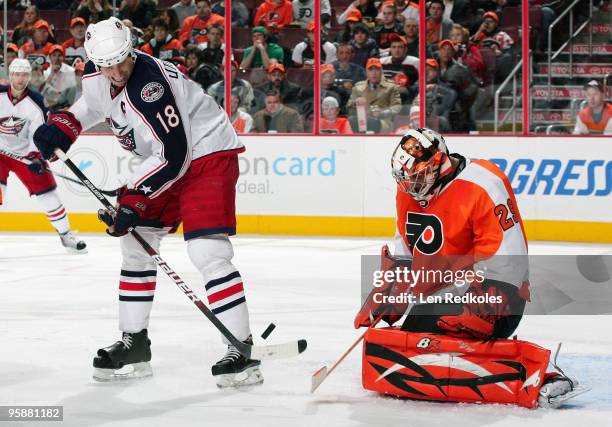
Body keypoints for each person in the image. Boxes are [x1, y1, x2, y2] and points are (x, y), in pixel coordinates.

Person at [32, 17, 262, 388]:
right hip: (167, 158)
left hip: (206, 155)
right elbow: (92, 106)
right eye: (109, 65)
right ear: (94, 61)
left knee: (207, 251)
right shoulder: (98, 75)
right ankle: (134, 343)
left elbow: (177, 154)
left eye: (124, 60)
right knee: (134, 246)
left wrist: (134, 197)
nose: (119, 70)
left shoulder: (149, 85)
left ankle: (241, 348)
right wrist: (63, 126)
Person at [355, 127, 583, 409]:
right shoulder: (409, 192)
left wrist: (485, 300)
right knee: (414, 339)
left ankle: (538, 374)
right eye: (406, 179)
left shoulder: (483, 184)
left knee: (426, 339)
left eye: (417, 177)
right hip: (440, 298)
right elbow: (403, 249)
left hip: (494, 296)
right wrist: (390, 292)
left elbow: (508, 259)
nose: (411, 186)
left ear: (440, 162)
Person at [0, 59, 86, 253]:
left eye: (24, 75)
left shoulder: (37, 102)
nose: (20, 79)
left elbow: (37, 134)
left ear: (29, 77)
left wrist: (34, 156)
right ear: (10, 75)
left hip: (25, 155)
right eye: (16, 74)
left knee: (48, 194)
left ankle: (66, 236)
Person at [347, 57, 401, 133]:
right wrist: (356, 103)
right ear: (366, 72)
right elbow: (349, 106)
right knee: (351, 121)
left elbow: (397, 107)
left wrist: (383, 113)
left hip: (382, 122)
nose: (374, 73)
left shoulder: (391, 87)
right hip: (362, 120)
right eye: (370, 70)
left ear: (381, 71)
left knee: (373, 123)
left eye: (377, 69)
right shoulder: (358, 87)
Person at [41, 45, 77, 113]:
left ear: (63, 57)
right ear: (50, 57)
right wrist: (51, 75)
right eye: (54, 55)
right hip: (49, 107)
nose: (56, 58)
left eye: (59, 55)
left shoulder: (71, 71)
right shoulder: (46, 72)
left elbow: (74, 92)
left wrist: (68, 108)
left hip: (67, 106)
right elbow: (42, 93)